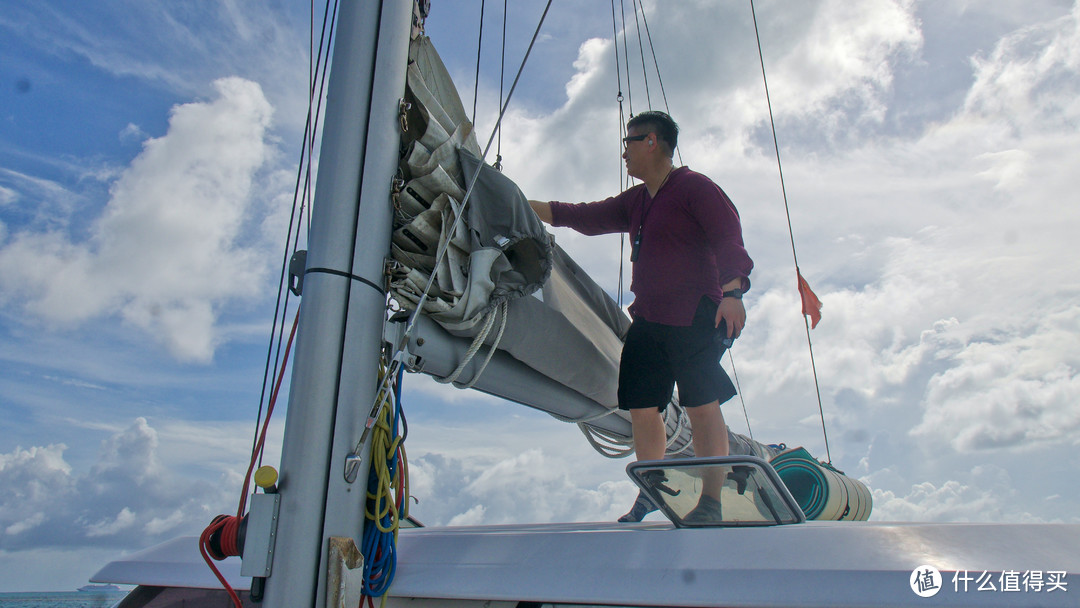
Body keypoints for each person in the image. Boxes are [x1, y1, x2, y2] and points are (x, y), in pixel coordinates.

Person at [528, 111, 753, 522]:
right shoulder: (637, 201)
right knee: (642, 407)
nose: (624, 155)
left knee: (702, 403)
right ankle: (652, 486)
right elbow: (584, 216)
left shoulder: (694, 188)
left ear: (652, 142)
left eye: (628, 144)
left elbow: (727, 236)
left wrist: (734, 293)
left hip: (695, 314)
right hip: (648, 318)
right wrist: (520, 203)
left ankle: (711, 501)